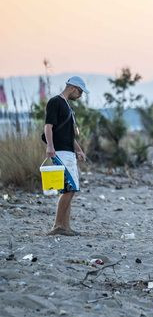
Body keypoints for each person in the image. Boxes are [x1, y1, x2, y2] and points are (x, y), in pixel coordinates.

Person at [44, 76, 89, 236]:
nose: (80, 96)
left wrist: (79, 150)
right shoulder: (55, 102)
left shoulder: (67, 106)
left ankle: (66, 226)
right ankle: (58, 226)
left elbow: (69, 135)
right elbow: (48, 126)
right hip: (60, 152)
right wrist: (50, 146)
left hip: (68, 151)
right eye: (80, 92)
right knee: (69, 190)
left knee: (69, 189)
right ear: (73, 88)